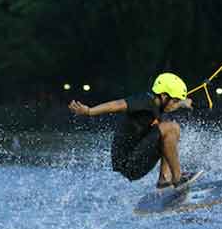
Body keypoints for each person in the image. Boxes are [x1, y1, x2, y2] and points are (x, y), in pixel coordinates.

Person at [68, 73, 199, 189]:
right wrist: (89, 111)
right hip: (128, 163)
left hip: (138, 156)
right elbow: (117, 105)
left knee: (170, 130)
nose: (176, 105)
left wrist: (182, 102)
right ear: (164, 96)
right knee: (171, 127)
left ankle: (164, 179)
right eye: (175, 101)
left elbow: (171, 107)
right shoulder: (144, 101)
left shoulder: (160, 105)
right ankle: (177, 178)